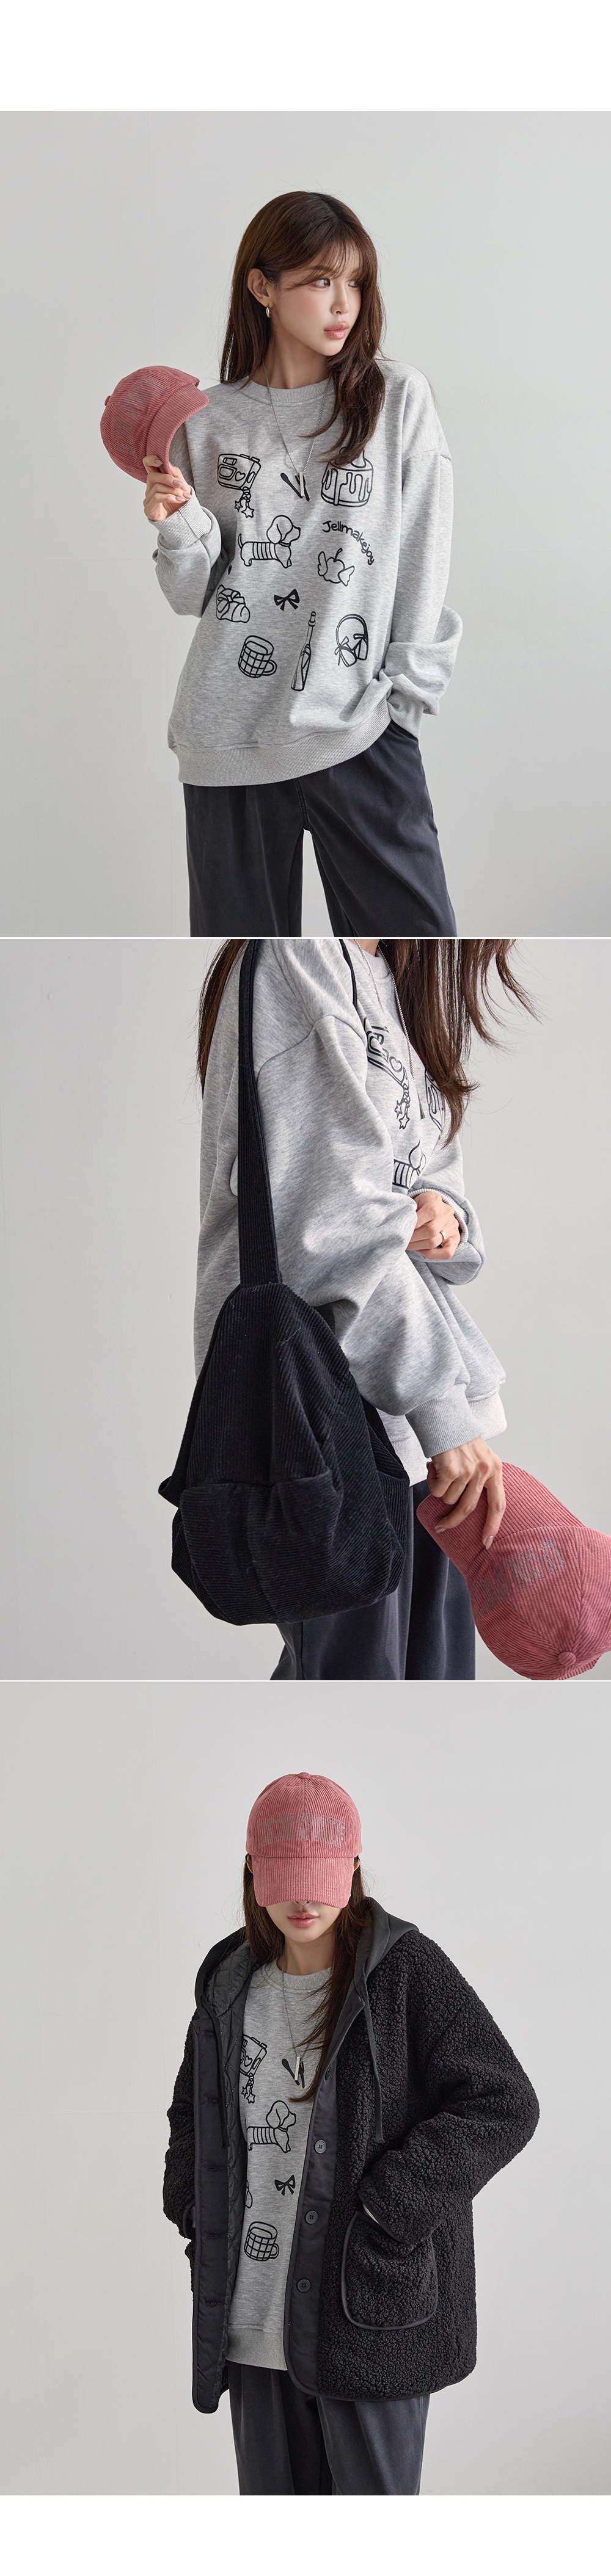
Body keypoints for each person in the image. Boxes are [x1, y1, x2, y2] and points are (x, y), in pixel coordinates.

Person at [163, 1768, 540, 2497]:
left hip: (365, 2315)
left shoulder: (404, 1972)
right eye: (285, 1878)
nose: (302, 1900)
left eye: (321, 1878)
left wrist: (389, 2205)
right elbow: (192, 2113)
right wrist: (195, 2207)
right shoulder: (229, 1983)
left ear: (355, 1868)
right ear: (253, 1871)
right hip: (251, 2319)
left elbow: (503, 2100)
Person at [192, 935, 535, 1680]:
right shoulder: (300, 959)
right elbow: (328, 1224)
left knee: (428, 1697)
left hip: (421, 1426)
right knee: (354, 1698)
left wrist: (442, 1213)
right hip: (326, 1426)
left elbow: (427, 1172)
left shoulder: (398, 978)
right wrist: (443, 1412)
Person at [142, 190, 463, 936]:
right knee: (246, 953)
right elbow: (193, 596)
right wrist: (176, 519)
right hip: (225, 742)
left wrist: (403, 707)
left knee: (419, 939)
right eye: (320, 280)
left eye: (355, 282)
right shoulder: (203, 422)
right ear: (263, 286)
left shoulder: (395, 399)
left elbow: (423, 550)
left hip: (359, 728)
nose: (343, 303)